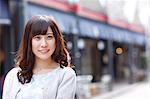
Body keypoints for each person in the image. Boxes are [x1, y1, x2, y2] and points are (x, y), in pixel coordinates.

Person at [2, 15, 76, 99]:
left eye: (49, 37)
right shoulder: (13, 76)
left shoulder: (65, 75)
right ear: (29, 42)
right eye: (37, 38)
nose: (44, 44)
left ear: (56, 40)